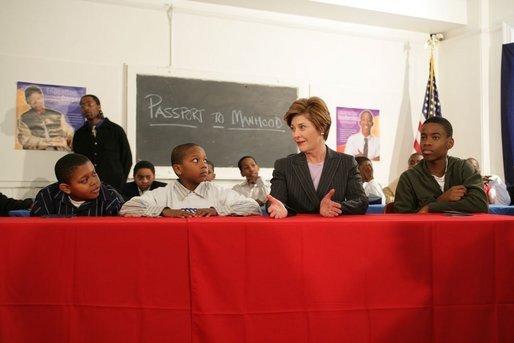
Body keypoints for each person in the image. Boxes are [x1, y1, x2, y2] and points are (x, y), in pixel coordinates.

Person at [266, 96, 368, 219]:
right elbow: (274, 202)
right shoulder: (284, 166)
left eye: (302, 127)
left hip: (332, 234)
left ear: (322, 128)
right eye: (293, 129)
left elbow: (361, 202)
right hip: (297, 234)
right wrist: (281, 209)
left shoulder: (346, 163)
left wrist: (336, 207)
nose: (295, 135)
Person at [119, 143, 261, 217]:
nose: (203, 164)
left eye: (204, 160)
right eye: (195, 160)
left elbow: (253, 207)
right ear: (178, 169)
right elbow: (127, 208)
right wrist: (164, 211)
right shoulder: (163, 194)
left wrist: (217, 210)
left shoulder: (218, 192)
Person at [394, 117, 488, 213]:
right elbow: (403, 219)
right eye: (423, 137)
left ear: (450, 143)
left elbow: (480, 204)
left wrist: (431, 207)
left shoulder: (463, 168)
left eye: (435, 137)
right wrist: (441, 200)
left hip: (461, 228)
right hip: (425, 228)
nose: (427, 143)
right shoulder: (409, 178)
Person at [31, 153, 125, 216]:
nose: (94, 182)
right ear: (66, 188)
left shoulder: (111, 198)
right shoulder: (47, 197)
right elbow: (38, 232)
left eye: (94, 174)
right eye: (84, 180)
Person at [72, 94, 132, 193]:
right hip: (88, 188)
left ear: (99, 106)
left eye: (89, 104)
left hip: (113, 186)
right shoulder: (79, 134)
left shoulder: (116, 130)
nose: (86, 108)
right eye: (82, 106)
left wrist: (121, 183)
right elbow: (77, 163)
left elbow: (127, 159)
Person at [17, 85, 74, 151]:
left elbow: (70, 134)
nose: (36, 102)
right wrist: (50, 142)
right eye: (32, 100)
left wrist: (68, 141)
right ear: (27, 101)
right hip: (36, 153)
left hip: (59, 152)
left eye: (38, 98)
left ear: (42, 97)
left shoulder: (57, 115)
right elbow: (26, 140)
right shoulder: (23, 118)